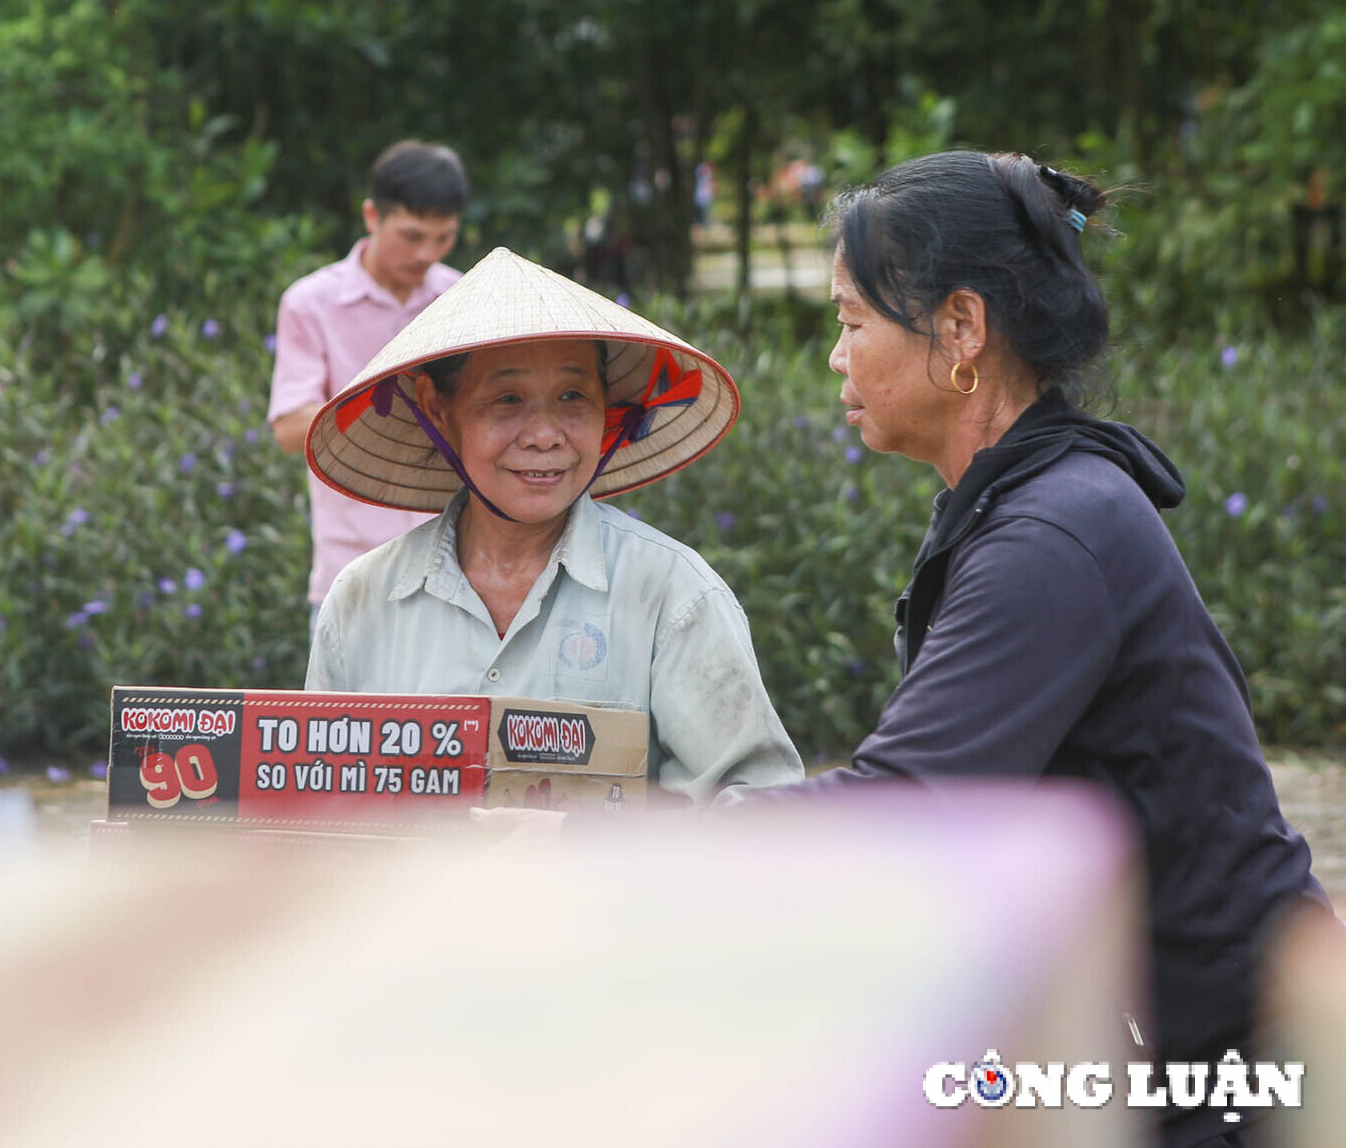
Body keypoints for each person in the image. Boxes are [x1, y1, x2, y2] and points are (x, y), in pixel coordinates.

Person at [739, 150, 1331, 1148]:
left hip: (1221, 1084)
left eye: (850, 322)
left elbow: (910, 805)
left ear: (962, 329)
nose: (835, 356)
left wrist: (633, 843)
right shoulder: (1034, 501)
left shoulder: (1050, 532)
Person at [302, 247, 803, 803]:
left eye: (572, 396)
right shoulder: (363, 602)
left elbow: (756, 812)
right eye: (507, 399)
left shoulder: (672, 593)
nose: (544, 435)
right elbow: (325, 812)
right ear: (438, 409)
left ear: (607, 408)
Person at [267, 141, 468, 624]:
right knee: (346, 706)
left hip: (459, 569)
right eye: (412, 235)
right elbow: (290, 431)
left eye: (443, 238)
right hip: (351, 574)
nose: (426, 253)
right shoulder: (310, 303)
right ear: (372, 216)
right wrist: (387, 406)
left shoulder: (461, 297)